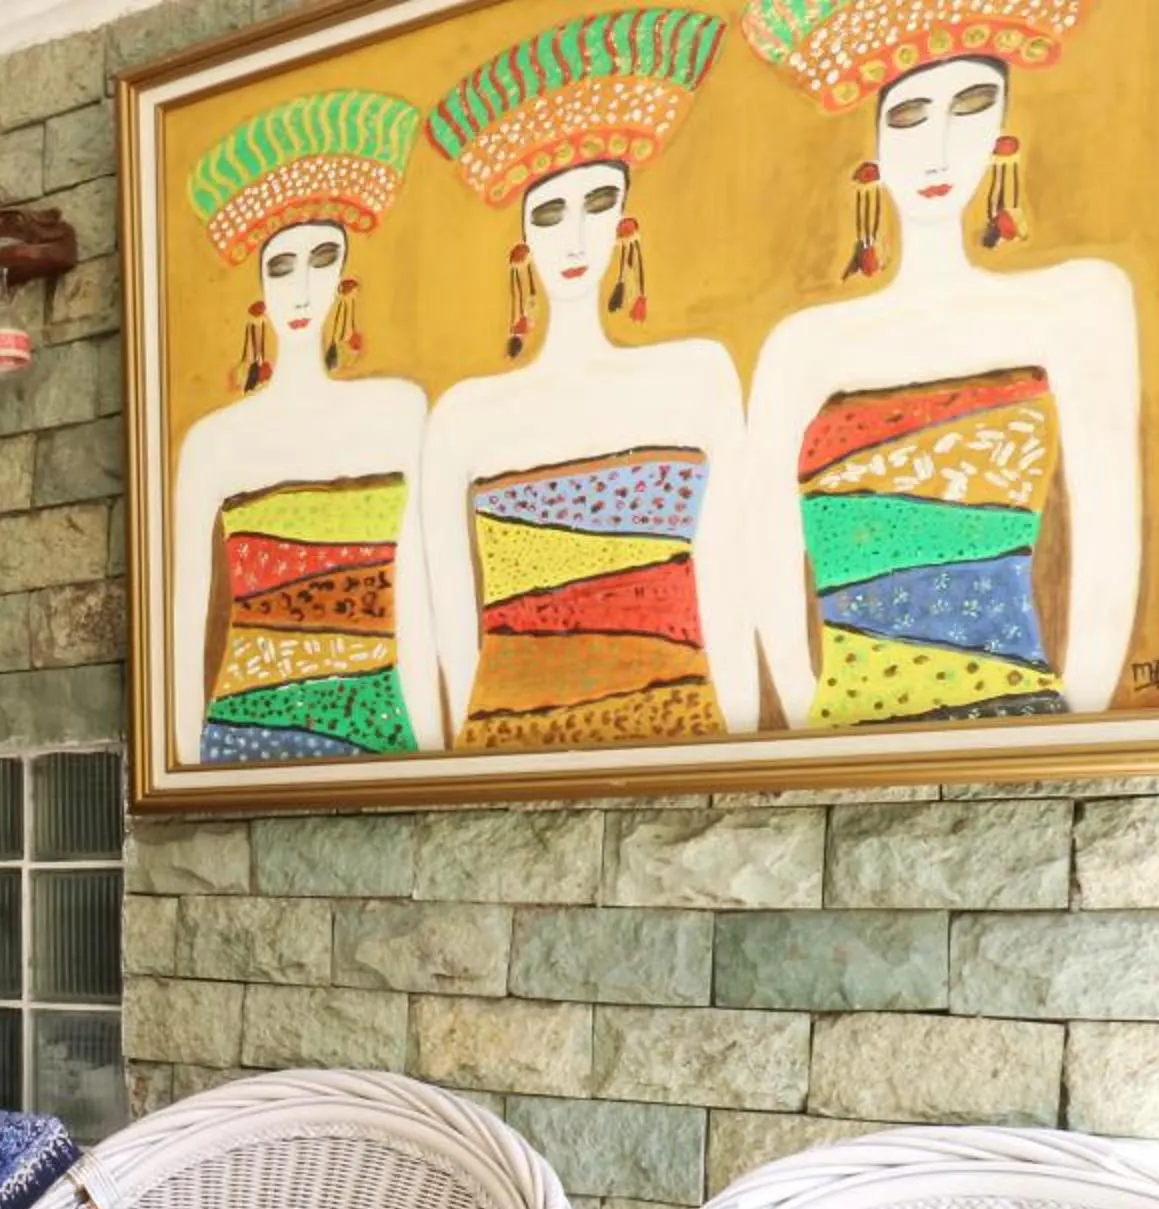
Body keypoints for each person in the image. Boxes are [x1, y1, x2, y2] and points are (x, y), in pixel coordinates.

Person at [738, 0, 1140, 729]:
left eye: (972, 106)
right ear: (875, 144)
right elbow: (762, 549)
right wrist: (804, 727)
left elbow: (1110, 539)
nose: (939, 147)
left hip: (1020, 713)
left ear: (1003, 132)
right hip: (841, 723)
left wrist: (1078, 733)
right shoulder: (803, 346)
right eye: (910, 116)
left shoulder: (1077, 306)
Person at [417, 8, 757, 749]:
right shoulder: (463, 417)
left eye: (597, 204)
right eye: (549, 214)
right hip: (504, 738)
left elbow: (732, 588)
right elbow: (451, 638)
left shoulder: (697, 376)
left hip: (683, 725)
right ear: (522, 240)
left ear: (624, 221)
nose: (573, 237)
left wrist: (743, 750)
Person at [171, 88, 444, 763]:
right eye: (281, 266)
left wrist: (435, 753)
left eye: (321, 258)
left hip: (380, 725)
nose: (300, 288)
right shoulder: (212, 443)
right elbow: (181, 626)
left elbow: (418, 602)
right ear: (259, 290)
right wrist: (182, 765)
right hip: (240, 735)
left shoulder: (400, 410)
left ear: (345, 273)